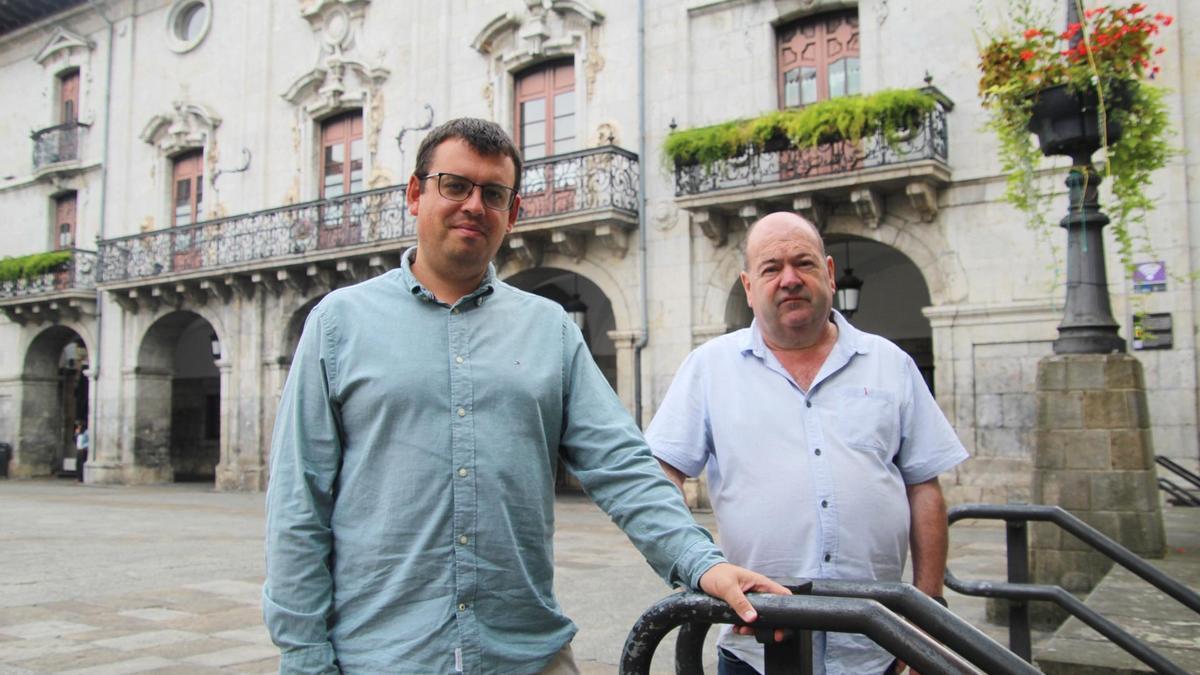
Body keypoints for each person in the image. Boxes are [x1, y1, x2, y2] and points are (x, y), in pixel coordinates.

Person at [263, 118, 787, 674]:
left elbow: (623, 465)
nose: (473, 205)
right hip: (383, 658)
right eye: (455, 185)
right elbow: (300, 503)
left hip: (526, 657)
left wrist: (703, 564)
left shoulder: (550, 330)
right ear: (415, 195)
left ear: (512, 215)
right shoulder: (340, 324)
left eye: (494, 194)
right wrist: (305, 657)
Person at [647, 212, 969, 675]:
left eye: (803, 263)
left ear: (830, 274)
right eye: (771, 268)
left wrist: (930, 613)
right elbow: (660, 476)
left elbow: (923, 487)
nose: (790, 279)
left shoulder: (889, 364)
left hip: (875, 647)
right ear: (748, 285)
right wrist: (700, 568)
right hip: (754, 645)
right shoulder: (709, 368)